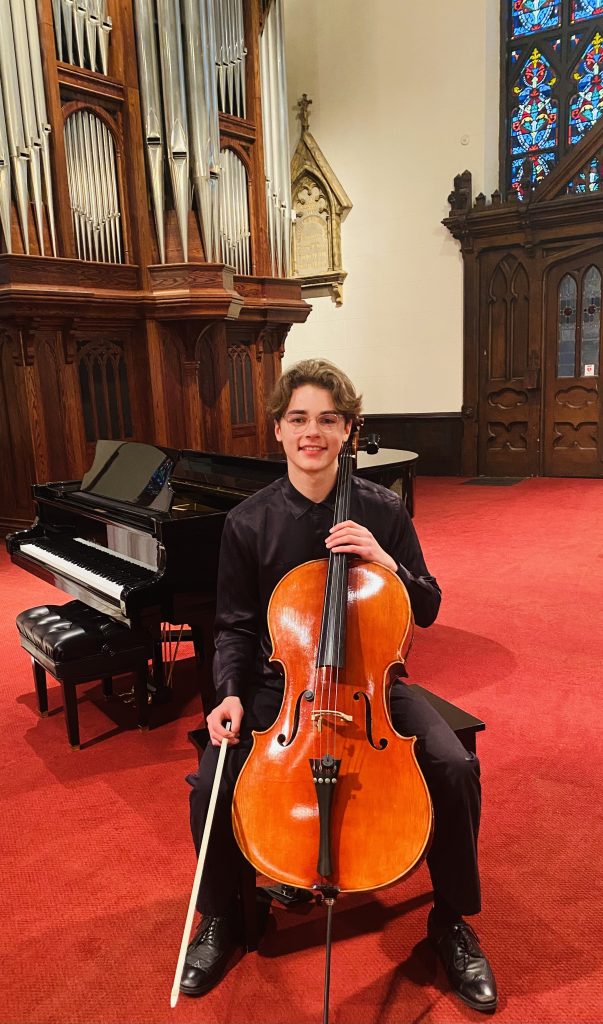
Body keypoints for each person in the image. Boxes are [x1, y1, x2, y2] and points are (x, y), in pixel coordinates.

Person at [180, 359, 497, 1013]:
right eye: (298, 419)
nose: (311, 432)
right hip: (282, 688)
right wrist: (229, 695)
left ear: (349, 430)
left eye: (327, 419)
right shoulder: (248, 522)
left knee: (451, 764)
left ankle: (452, 921)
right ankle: (221, 919)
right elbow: (235, 627)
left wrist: (386, 562)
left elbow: (428, 605)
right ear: (277, 430)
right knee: (212, 781)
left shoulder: (382, 509)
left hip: (373, 683)